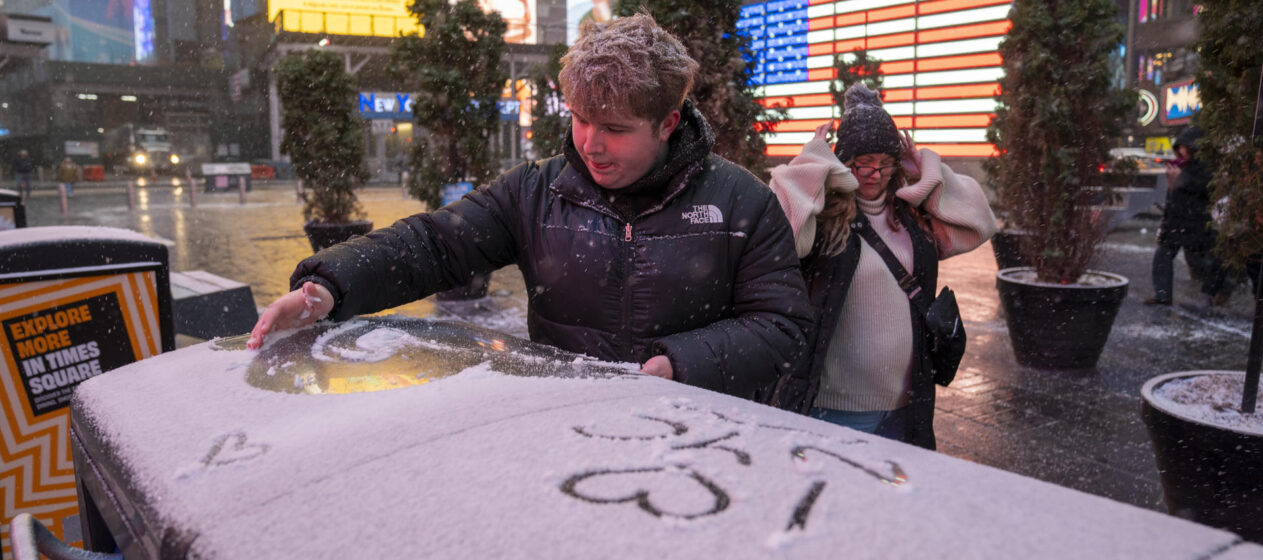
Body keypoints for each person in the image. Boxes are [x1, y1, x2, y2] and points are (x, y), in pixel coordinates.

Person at [247, 14, 812, 404]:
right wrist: (328, 286)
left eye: (615, 128)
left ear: (668, 122)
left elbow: (783, 327)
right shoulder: (536, 191)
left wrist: (679, 364)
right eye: (580, 119)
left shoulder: (741, 201)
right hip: (557, 417)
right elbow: (434, 242)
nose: (591, 143)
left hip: (693, 429)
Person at [766, 83, 995, 449]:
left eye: (885, 163)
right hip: (834, 409)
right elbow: (780, 239)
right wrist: (812, 162)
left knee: (894, 507)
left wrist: (927, 170)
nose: (875, 173)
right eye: (863, 162)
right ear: (843, 161)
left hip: (906, 408)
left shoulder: (912, 218)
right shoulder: (824, 220)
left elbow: (980, 223)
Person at [1144, 127, 1217, 306]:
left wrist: (1182, 181)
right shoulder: (1178, 167)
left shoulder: (1203, 168)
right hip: (1176, 221)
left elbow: (1205, 189)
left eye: (1185, 147)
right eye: (1180, 147)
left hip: (1195, 222)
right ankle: (1162, 295)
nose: (1181, 151)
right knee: (1163, 257)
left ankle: (1210, 294)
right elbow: (1172, 196)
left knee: (1206, 260)